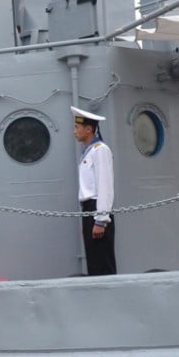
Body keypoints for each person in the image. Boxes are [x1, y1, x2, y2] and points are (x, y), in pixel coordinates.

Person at [71, 105, 116, 275]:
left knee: (102, 262)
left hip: (97, 210)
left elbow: (105, 185)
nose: (74, 131)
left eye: (77, 127)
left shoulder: (100, 151)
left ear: (88, 129)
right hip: (89, 211)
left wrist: (101, 219)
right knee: (94, 262)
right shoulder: (89, 152)